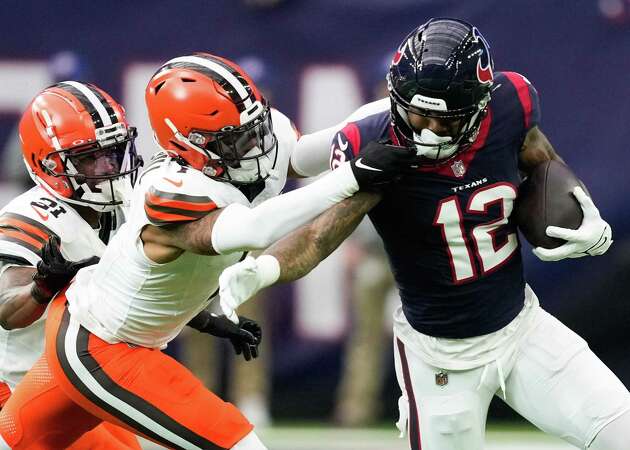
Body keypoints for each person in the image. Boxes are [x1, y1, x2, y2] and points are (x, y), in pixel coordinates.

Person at [217, 18, 630, 450]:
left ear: (478, 107)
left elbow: (544, 162)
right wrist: (263, 269)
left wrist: (582, 211)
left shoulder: (510, 105)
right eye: (418, 114)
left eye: (445, 120)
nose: (428, 130)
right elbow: (320, 234)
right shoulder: (379, 143)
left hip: (522, 329)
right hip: (439, 359)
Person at [0, 53, 419, 450]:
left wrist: (400, 114)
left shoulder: (242, 148)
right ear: (192, 144)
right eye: (238, 139)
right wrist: (353, 175)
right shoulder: (167, 190)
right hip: (103, 347)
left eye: (256, 129)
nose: (258, 146)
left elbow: (329, 145)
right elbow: (254, 229)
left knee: (14, 438)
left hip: (96, 332)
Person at [0, 81, 144, 449]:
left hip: (73, 382)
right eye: (88, 158)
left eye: (112, 152)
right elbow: (5, 308)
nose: (108, 166)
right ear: (47, 163)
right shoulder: (32, 217)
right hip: (16, 387)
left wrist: (202, 317)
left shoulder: (121, 208)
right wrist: (42, 286)